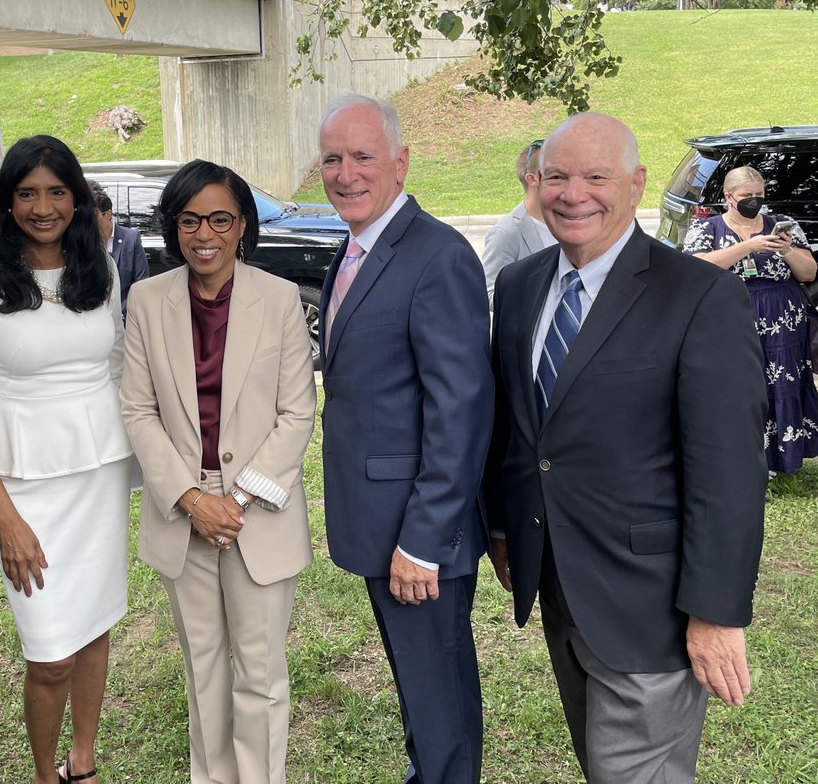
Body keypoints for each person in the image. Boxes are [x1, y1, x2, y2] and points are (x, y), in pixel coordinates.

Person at [485, 113, 767, 783]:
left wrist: (716, 611)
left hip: (652, 608)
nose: (572, 193)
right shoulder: (522, 286)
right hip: (557, 584)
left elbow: (728, 471)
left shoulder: (701, 296)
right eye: (556, 175)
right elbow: (518, 427)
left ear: (637, 184)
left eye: (595, 176)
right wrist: (503, 525)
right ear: (535, 180)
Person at [0, 135, 132, 784]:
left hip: (99, 473)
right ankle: (45, 774)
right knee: (50, 653)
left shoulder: (100, 272)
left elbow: (117, 370)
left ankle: (83, 762)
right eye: (27, 193)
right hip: (25, 489)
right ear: (7, 202)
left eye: (56, 191)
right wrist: (7, 520)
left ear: (76, 200)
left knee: (97, 624)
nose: (43, 206)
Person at [120, 159, 316, 783]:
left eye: (220, 218)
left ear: (242, 226)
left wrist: (239, 501)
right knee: (202, 669)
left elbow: (296, 412)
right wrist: (189, 497)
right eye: (189, 219)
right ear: (173, 226)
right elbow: (138, 409)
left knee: (259, 673)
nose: (204, 233)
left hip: (256, 513)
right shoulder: (146, 300)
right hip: (185, 514)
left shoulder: (280, 299)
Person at [317, 93, 493, 783]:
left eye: (362, 156)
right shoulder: (360, 246)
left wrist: (423, 541)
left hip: (418, 539)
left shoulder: (436, 255)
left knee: (440, 700)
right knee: (422, 696)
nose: (345, 172)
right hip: (380, 524)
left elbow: (463, 410)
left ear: (399, 161)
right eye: (332, 157)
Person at [682, 165, 818, 473]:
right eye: (747, 195)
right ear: (729, 197)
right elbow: (697, 268)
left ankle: (780, 460)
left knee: (782, 387)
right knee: (737, 388)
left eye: (759, 194)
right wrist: (748, 246)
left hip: (782, 323)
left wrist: (786, 251)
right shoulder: (708, 228)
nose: (754, 200)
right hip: (729, 322)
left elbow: (809, 272)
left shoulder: (782, 225)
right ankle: (740, 459)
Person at [480, 139, 557, 306]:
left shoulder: (572, 221)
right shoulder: (506, 233)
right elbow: (489, 293)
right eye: (556, 175)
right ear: (532, 179)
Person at [88, 180, 149, 318]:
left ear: (108, 214)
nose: (88, 222)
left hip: (127, 317)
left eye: (93, 216)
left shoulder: (131, 239)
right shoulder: (86, 243)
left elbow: (141, 284)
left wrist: (121, 312)